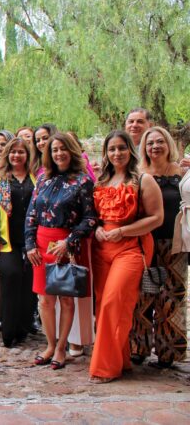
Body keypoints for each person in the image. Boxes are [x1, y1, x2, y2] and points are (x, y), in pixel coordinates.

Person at [90, 130, 162, 383]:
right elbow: (94, 216)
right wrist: (97, 229)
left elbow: (157, 218)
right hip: (102, 248)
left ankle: (105, 367)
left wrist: (123, 231)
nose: (117, 153)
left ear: (130, 150)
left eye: (121, 148)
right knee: (103, 306)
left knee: (115, 303)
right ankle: (121, 360)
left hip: (131, 247)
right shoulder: (101, 180)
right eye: (112, 149)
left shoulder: (144, 180)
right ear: (106, 153)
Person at [25, 133, 96, 370]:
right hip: (41, 244)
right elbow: (31, 214)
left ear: (72, 151)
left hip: (65, 246)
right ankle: (50, 344)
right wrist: (30, 245)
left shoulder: (83, 181)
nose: (59, 153)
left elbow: (90, 218)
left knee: (65, 299)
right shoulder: (43, 179)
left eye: (63, 149)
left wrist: (70, 241)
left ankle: (61, 347)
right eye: (54, 150)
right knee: (45, 300)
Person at [130, 127, 187, 369]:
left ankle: (168, 352)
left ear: (168, 144)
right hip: (145, 243)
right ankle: (138, 348)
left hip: (174, 244)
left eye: (160, 142)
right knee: (143, 296)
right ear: (144, 148)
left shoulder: (181, 172)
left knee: (171, 297)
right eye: (150, 143)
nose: (155, 146)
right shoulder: (138, 174)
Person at [0, 137, 36, 347]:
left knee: (28, 285)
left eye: (21, 152)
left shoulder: (36, 179)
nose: (16, 155)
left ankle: (23, 328)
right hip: (7, 240)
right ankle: (8, 332)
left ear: (27, 155)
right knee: (11, 277)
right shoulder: (1, 180)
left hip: (32, 241)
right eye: (13, 152)